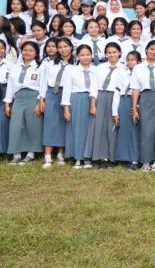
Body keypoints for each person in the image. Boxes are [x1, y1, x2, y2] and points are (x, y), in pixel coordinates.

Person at [81, 42, 124, 169]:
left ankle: (112, 157)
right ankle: (102, 157)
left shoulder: (124, 68)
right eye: (109, 53)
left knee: (112, 128)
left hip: (115, 98)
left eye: (114, 52)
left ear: (119, 53)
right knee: (99, 128)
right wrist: (93, 105)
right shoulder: (100, 68)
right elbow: (94, 87)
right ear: (106, 54)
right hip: (101, 97)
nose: (112, 55)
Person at [131, 40, 155, 172]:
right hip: (145, 97)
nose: (154, 52)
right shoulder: (138, 67)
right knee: (146, 131)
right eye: (151, 49)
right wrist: (135, 108)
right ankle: (146, 161)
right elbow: (136, 89)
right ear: (146, 49)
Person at [5, 42, 45, 165]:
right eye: (25, 50)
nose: (27, 52)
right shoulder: (16, 67)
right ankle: (16, 154)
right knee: (15, 125)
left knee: (33, 125)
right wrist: (8, 102)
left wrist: (40, 101)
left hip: (33, 96)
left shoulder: (40, 67)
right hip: (19, 97)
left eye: (31, 50)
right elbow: (11, 85)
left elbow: (43, 85)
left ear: (36, 53)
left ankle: (30, 154)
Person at [39, 38, 73, 168]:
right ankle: (47, 157)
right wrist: (42, 99)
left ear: (71, 47)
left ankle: (61, 154)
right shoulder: (50, 63)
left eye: (66, 46)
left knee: (64, 124)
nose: (63, 49)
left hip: (67, 94)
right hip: (52, 93)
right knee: (50, 123)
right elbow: (43, 82)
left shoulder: (75, 64)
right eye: (60, 47)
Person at [115, 51, 141, 170]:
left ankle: (135, 159)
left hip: (135, 102)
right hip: (124, 101)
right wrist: (115, 111)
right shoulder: (122, 74)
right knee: (125, 131)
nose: (130, 62)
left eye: (133, 60)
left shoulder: (141, 74)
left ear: (139, 62)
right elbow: (117, 91)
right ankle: (127, 157)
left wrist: (138, 106)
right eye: (128, 60)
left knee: (135, 131)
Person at [0, 42, 11, 157]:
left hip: (4, 90)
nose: (0, 50)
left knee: (3, 120)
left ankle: (3, 150)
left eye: (2, 48)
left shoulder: (10, 65)